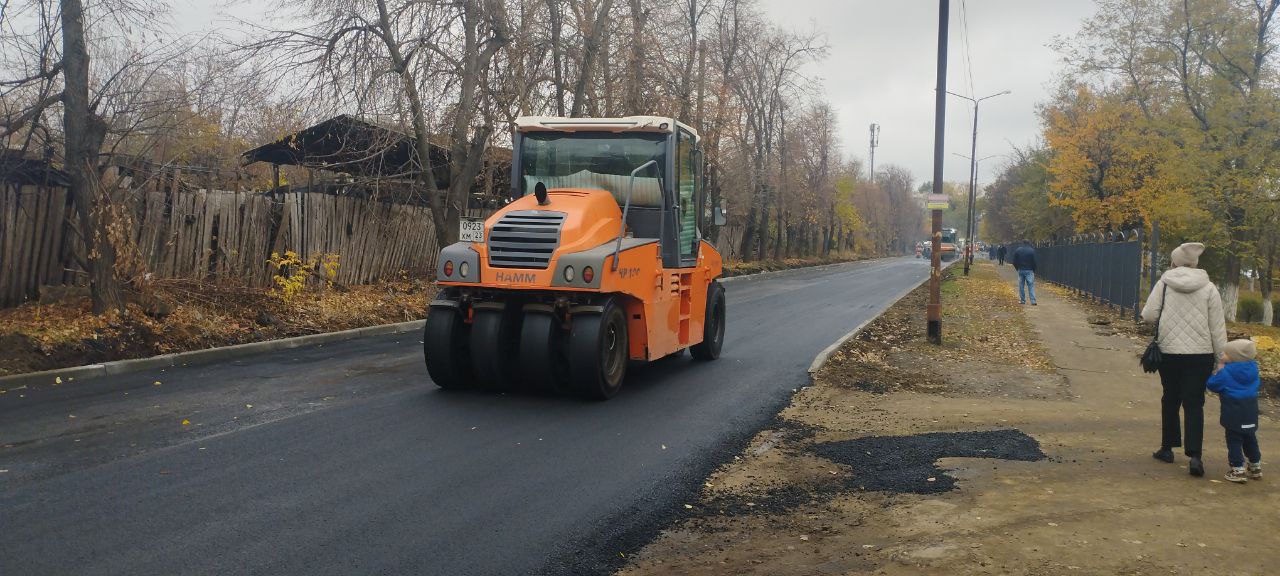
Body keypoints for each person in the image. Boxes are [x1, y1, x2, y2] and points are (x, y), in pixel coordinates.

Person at [1141, 242, 1227, 478]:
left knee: (1170, 397)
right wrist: (1222, 359)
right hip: (1200, 354)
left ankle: (1167, 448)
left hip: (1169, 351)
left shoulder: (1165, 283)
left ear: (1175, 261)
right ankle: (1195, 456)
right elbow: (1217, 328)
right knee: (1194, 402)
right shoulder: (1209, 287)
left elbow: (1148, 316)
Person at [1207, 339, 1263, 483]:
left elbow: (1212, 385)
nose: (1222, 355)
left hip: (1233, 410)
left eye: (1225, 353)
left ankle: (1238, 468)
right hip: (1250, 409)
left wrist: (1219, 369)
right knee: (1250, 437)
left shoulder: (1226, 372)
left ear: (1235, 357)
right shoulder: (1253, 369)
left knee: (1234, 439)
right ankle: (1255, 465)